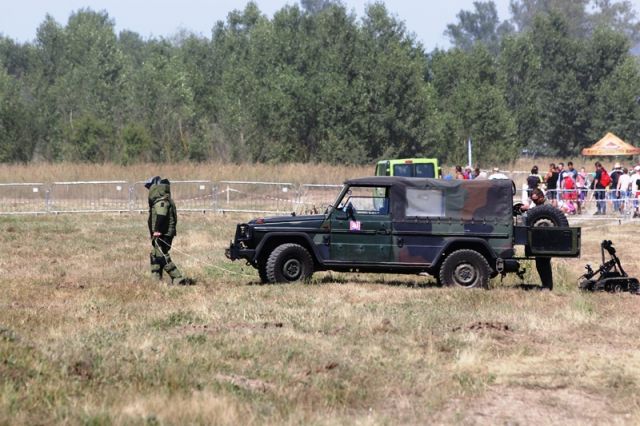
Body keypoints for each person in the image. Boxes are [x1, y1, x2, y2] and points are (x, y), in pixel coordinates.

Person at [146, 176, 187, 285]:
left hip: (163, 233)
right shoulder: (162, 200)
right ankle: (155, 280)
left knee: (161, 255)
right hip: (161, 233)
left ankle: (178, 278)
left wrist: (157, 231)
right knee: (155, 255)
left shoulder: (162, 201)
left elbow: (161, 216)